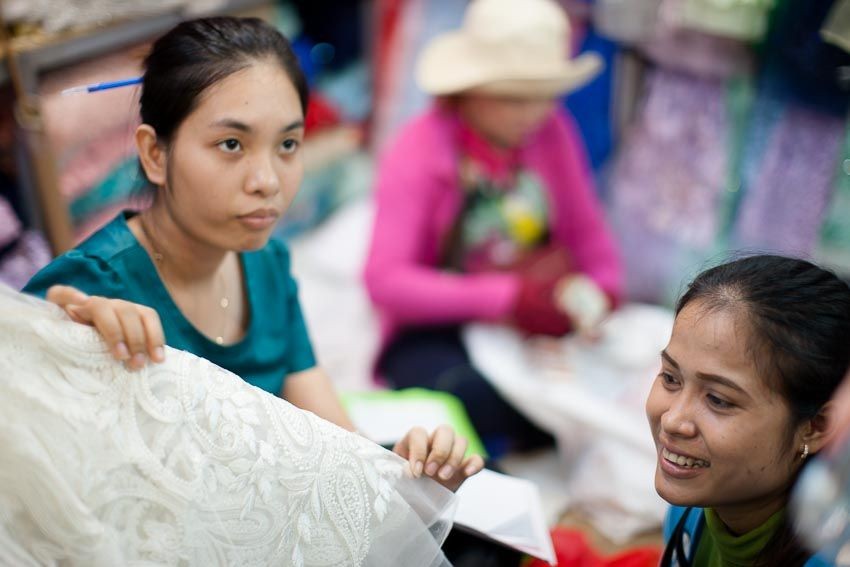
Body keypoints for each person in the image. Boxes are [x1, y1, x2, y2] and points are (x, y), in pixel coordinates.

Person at [23, 16, 482, 493]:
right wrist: (57, 342)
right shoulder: (91, 294)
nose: (267, 180)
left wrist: (413, 472)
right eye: (231, 144)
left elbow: (341, 445)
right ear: (155, 154)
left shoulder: (267, 265)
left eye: (287, 144)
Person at [364, 0, 623, 453]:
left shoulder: (553, 132)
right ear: (470, 88)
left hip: (534, 326)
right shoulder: (418, 149)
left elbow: (588, 233)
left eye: (543, 95)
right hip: (438, 325)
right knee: (463, 397)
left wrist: (598, 293)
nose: (532, 113)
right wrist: (507, 297)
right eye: (512, 97)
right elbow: (385, 281)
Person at [646, 254, 850, 566]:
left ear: (815, 427)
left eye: (718, 400)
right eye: (670, 378)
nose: (673, 420)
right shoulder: (690, 514)